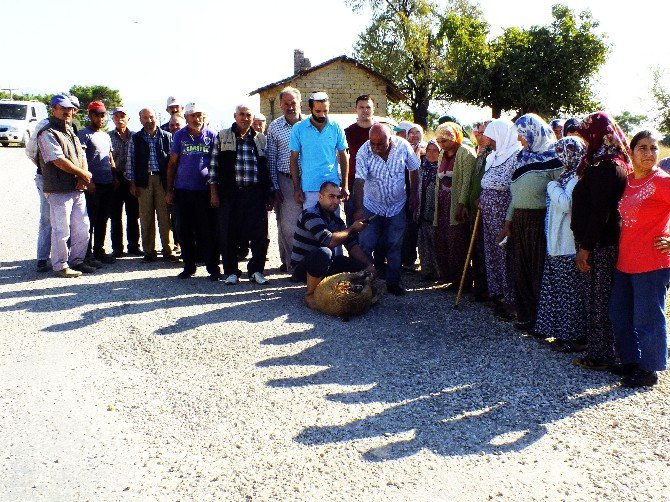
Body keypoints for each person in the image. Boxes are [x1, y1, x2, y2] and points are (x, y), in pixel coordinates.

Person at [609, 131, 670, 387]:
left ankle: (650, 369)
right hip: (626, 259)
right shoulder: (630, 180)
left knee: (647, 317)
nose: (649, 153)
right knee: (619, 313)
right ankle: (632, 361)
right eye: (642, 148)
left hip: (653, 261)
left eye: (653, 148)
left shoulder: (663, 181)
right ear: (631, 152)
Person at [571, 112, 630, 370]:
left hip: (599, 245)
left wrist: (585, 247)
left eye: (586, 135)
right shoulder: (599, 162)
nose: (584, 141)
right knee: (597, 298)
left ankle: (602, 355)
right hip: (596, 242)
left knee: (600, 299)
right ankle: (601, 351)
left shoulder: (608, 167)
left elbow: (601, 212)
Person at [499, 114, 562, 332]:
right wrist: (508, 221)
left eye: (522, 133)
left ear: (533, 132)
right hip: (520, 220)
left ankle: (542, 321)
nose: (519, 138)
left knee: (538, 271)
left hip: (540, 221)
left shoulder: (554, 158)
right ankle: (525, 316)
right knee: (521, 270)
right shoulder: (521, 158)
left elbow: (560, 188)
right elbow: (515, 195)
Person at [209, 104, 273, 285]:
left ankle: (256, 271)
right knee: (229, 233)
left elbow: (266, 168)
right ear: (235, 116)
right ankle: (231, 272)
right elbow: (213, 167)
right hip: (230, 193)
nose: (245, 118)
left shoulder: (260, 138)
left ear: (252, 118)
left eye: (248, 115)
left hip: (255, 194)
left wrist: (268, 194)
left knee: (260, 234)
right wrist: (214, 193)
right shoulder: (223, 136)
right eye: (241, 115)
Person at [353, 123, 420, 295]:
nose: (375, 147)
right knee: (366, 243)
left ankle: (393, 282)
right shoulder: (364, 151)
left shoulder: (403, 146)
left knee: (394, 244)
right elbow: (359, 181)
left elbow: (414, 169)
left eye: (380, 143)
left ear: (390, 138)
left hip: (397, 205)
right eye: (372, 143)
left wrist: (414, 194)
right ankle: (366, 283)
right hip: (372, 205)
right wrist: (358, 209)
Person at [534, 137, 588, 351]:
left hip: (567, 243)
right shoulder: (566, 176)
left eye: (563, 153)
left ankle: (574, 337)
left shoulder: (577, 178)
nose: (560, 158)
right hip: (556, 243)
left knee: (570, 294)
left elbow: (566, 204)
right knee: (558, 291)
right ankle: (561, 333)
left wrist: (552, 186)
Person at [291, 181, 375, 308]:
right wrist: (352, 228)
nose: (336, 201)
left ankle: (341, 292)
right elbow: (329, 241)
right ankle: (310, 295)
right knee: (324, 252)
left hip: (324, 264)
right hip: (303, 268)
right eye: (331, 196)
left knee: (359, 266)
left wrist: (369, 265)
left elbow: (352, 245)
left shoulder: (336, 220)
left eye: (338, 197)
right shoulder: (309, 214)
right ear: (320, 197)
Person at [36, 95, 92, 277]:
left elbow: (81, 155)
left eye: (69, 108)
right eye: (62, 108)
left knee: (82, 227)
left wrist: (83, 176)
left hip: (76, 188)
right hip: (58, 188)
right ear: (53, 110)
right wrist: (82, 174)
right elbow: (57, 160)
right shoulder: (47, 132)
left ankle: (78, 261)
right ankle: (60, 265)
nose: (67, 111)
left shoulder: (70, 130)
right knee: (61, 230)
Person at [165, 103, 220, 280]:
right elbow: (172, 164)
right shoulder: (179, 136)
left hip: (204, 191)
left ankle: (212, 267)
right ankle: (189, 266)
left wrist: (214, 192)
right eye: (193, 116)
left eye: (200, 115)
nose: (197, 119)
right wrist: (169, 190)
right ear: (186, 117)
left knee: (208, 230)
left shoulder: (211, 135)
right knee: (184, 230)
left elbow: (215, 164)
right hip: (183, 191)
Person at [480, 119, 521, 319]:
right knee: (492, 251)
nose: (490, 143)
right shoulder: (493, 157)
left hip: (502, 212)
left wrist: (509, 220)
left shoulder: (515, 156)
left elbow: (513, 188)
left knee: (504, 252)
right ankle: (497, 293)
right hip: (488, 212)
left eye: (493, 139)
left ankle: (510, 298)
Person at [126, 108, 177, 262]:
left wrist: (172, 184)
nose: (149, 120)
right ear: (140, 120)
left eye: (151, 117)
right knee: (146, 217)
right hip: (143, 182)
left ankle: (168, 250)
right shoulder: (136, 138)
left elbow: (173, 163)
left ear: (156, 118)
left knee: (164, 217)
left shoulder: (167, 136)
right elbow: (130, 161)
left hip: (162, 181)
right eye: (145, 118)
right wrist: (132, 182)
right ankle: (149, 252)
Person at [433, 122, 477, 288]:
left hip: (455, 201)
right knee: (442, 238)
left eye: (444, 140)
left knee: (457, 241)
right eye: (439, 141)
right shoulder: (441, 154)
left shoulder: (465, 153)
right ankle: (448, 275)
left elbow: (466, 181)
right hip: (443, 201)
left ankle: (462, 281)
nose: (441, 144)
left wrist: (461, 203)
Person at [289, 91, 348, 211]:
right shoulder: (299, 128)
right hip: (310, 188)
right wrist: (296, 188)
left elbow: (343, 155)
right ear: (310, 109)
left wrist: (345, 186)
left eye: (325, 111)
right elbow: (293, 159)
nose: (322, 115)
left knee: (334, 227)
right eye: (318, 111)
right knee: (312, 226)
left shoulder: (336, 127)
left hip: (332, 187)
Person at [266, 87, 303, 273]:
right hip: (285, 180)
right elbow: (271, 158)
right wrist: (274, 186)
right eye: (286, 104)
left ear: (300, 103)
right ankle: (292, 266)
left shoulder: (310, 124)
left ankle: (311, 265)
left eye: (293, 103)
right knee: (288, 226)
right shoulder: (274, 127)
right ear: (281, 105)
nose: (290, 107)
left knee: (313, 223)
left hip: (310, 180)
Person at [77, 101, 117, 265]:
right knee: (90, 221)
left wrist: (115, 176)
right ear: (90, 115)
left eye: (102, 115)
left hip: (108, 183)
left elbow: (110, 157)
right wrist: (89, 181)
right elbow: (81, 159)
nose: (100, 118)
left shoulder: (106, 135)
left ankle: (99, 251)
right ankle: (87, 254)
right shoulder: (84, 134)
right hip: (94, 185)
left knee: (103, 219)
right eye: (96, 114)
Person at [109, 107, 141, 257]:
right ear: (113, 119)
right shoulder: (108, 137)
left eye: (123, 116)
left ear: (128, 119)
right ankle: (117, 248)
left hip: (131, 179)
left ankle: (134, 246)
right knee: (115, 215)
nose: (120, 118)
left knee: (133, 215)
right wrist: (113, 177)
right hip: (115, 179)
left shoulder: (136, 137)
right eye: (116, 116)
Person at [466, 121, 492, 300]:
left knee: (485, 249)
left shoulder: (493, 154)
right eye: (478, 133)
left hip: (487, 209)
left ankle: (487, 289)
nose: (479, 136)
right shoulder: (480, 152)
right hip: (475, 208)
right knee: (476, 249)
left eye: (483, 133)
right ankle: (480, 286)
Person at [26, 113, 53, 272]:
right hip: (45, 179)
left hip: (65, 182)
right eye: (65, 107)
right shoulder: (45, 124)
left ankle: (63, 258)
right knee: (47, 218)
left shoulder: (72, 126)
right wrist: (44, 169)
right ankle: (42, 258)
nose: (70, 111)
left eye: (73, 108)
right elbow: (30, 151)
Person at [344, 95, 376, 225]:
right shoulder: (347, 132)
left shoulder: (382, 131)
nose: (365, 110)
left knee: (373, 224)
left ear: (373, 109)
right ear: (356, 109)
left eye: (368, 107)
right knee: (353, 223)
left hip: (376, 184)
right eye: (361, 107)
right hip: (353, 183)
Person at [415, 139, 440, 281]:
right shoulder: (422, 167)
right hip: (422, 210)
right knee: (423, 241)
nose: (431, 153)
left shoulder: (442, 168)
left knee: (435, 242)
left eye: (435, 150)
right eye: (429, 150)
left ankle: (438, 272)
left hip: (434, 211)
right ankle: (426, 271)